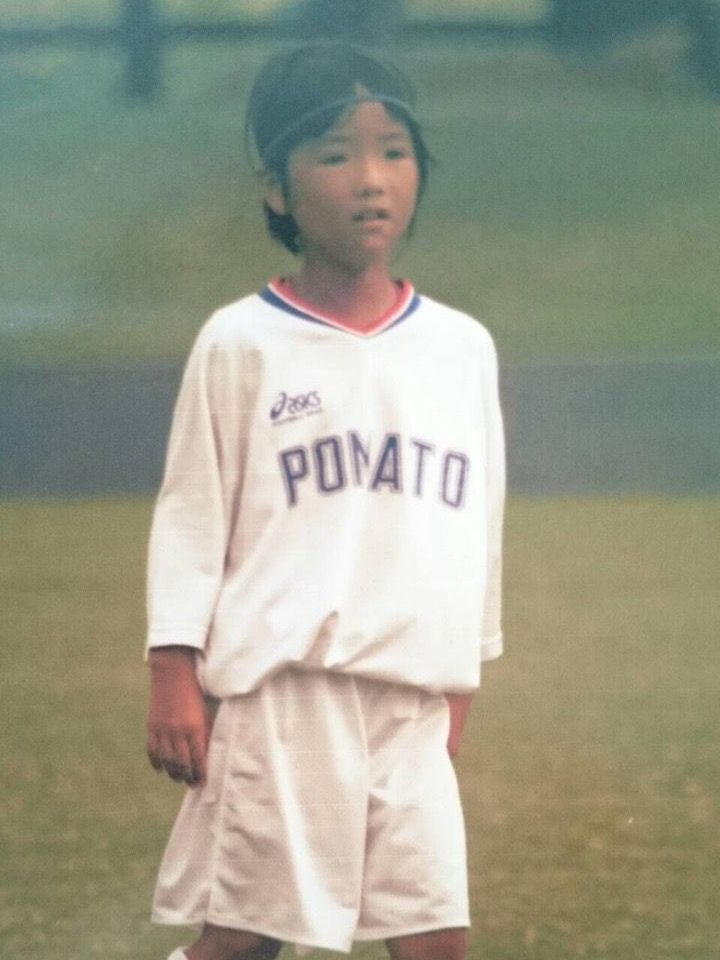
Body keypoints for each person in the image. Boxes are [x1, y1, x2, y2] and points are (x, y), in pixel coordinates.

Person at [145, 42, 505, 960]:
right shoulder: (242, 343)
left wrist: (461, 671)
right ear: (278, 188)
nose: (371, 180)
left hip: (411, 698)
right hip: (284, 695)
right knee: (245, 943)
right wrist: (173, 670)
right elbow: (192, 515)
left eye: (394, 150)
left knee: (435, 941)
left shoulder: (461, 348)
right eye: (336, 155)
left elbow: (477, 527)